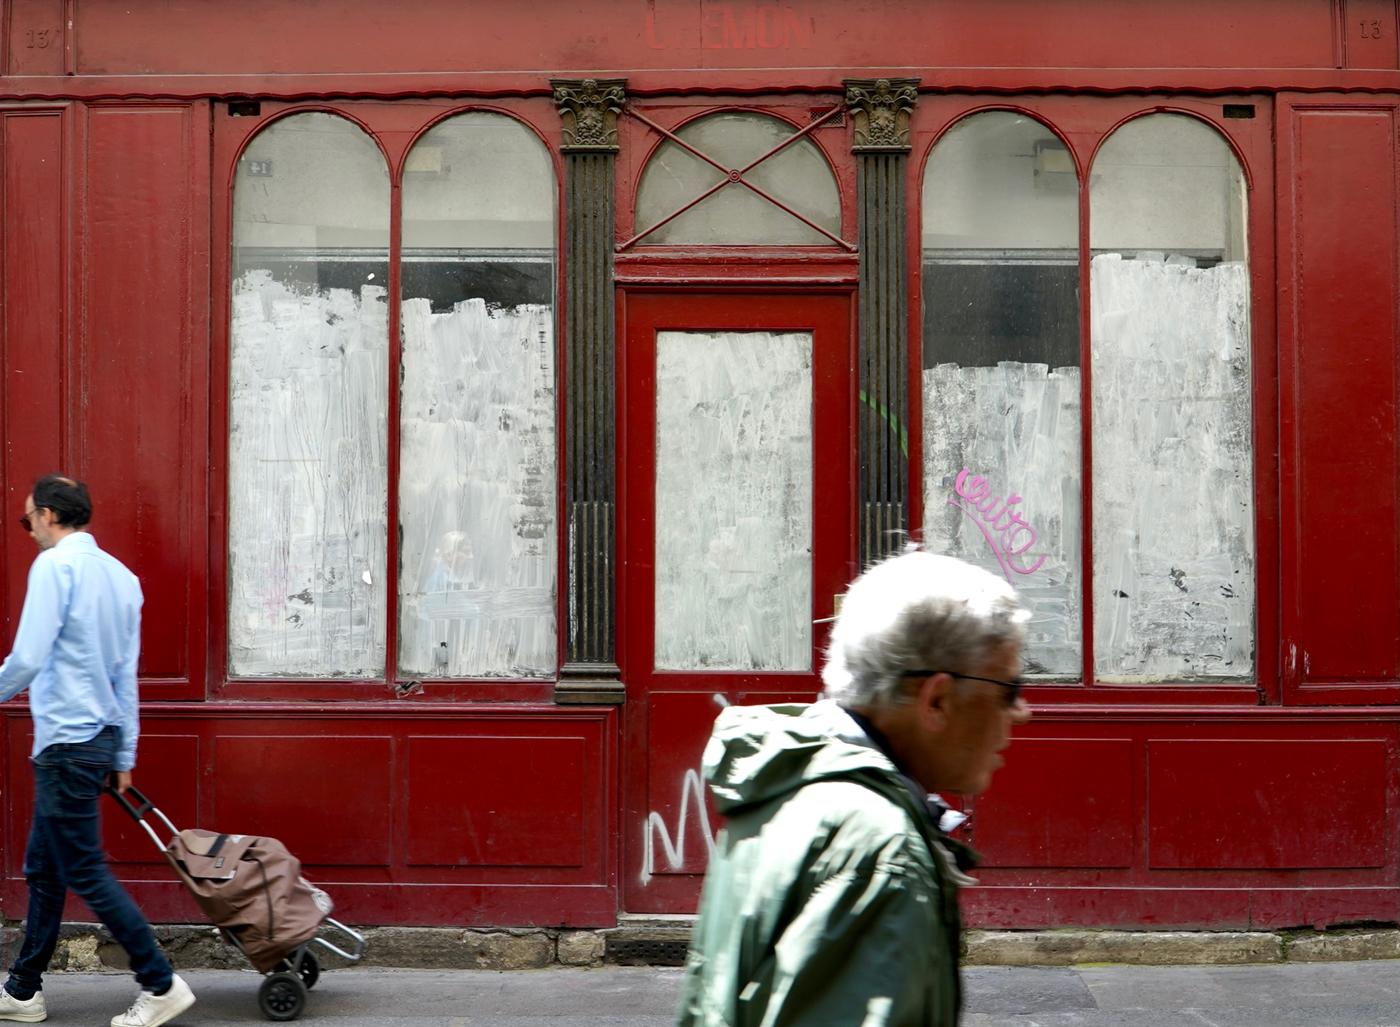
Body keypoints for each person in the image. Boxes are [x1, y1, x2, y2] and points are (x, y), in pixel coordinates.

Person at [676, 549, 1032, 1027]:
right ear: (938, 700)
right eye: (1008, 690)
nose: (1021, 711)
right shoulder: (878, 849)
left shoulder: (789, 787)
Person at [0, 476, 195, 1027]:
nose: (30, 530)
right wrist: (123, 753)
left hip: (66, 742)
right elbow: (123, 677)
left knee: (83, 869)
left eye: (27, 520)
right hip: (98, 739)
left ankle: (160, 983)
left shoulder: (56, 567)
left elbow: (29, 656)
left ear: (47, 515)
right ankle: (22, 989)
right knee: (45, 866)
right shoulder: (122, 578)